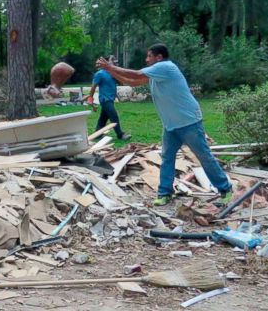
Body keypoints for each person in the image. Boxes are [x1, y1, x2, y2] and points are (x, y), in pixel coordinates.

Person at [96, 44, 233, 206]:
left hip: (188, 121)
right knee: (167, 158)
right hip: (171, 125)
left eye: (149, 56)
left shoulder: (166, 67)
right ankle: (165, 193)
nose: (146, 60)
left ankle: (225, 189)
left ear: (159, 57)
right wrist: (110, 70)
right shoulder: (156, 73)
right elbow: (132, 82)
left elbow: (136, 73)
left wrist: (111, 66)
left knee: (204, 156)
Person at [89, 56, 130, 141]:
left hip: (110, 99)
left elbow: (121, 83)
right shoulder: (100, 74)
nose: (115, 63)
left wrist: (115, 73)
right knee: (114, 116)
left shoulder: (113, 73)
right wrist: (90, 100)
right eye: (113, 61)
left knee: (103, 118)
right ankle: (120, 135)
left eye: (115, 62)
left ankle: (97, 133)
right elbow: (93, 87)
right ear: (107, 62)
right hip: (105, 100)